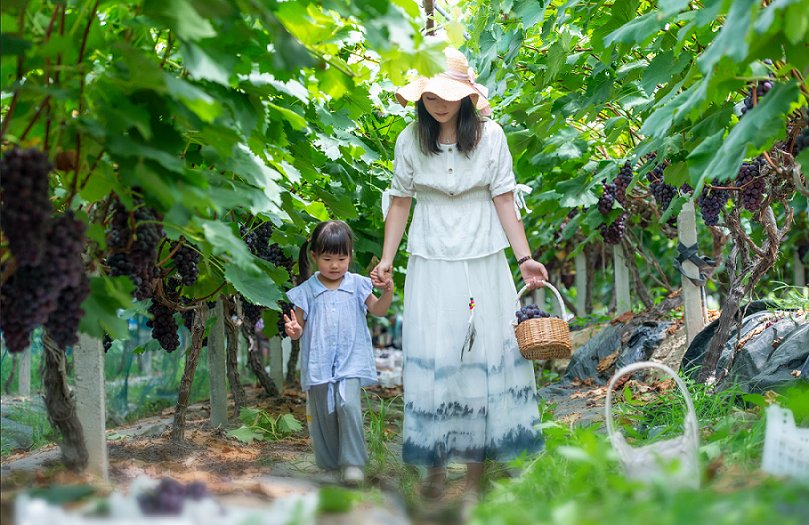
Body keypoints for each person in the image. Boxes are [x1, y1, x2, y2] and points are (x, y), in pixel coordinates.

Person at [372, 47, 549, 505]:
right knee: (435, 356)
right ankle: (433, 469)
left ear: (467, 96)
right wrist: (387, 259)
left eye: (448, 94)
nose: (438, 102)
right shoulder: (410, 140)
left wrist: (524, 257)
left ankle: (473, 477)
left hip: (484, 260)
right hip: (431, 260)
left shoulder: (491, 137)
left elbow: (504, 199)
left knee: (482, 360)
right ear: (421, 98)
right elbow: (400, 202)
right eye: (430, 94)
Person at [284, 220, 394, 485]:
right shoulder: (306, 291)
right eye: (327, 258)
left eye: (342, 258)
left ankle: (353, 462)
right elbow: (298, 328)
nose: (335, 265)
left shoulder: (357, 284)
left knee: (347, 404)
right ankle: (331, 464)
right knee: (325, 412)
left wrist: (387, 292)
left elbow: (378, 310)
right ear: (314, 257)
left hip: (350, 359)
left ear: (351, 256)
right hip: (319, 361)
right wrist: (294, 330)